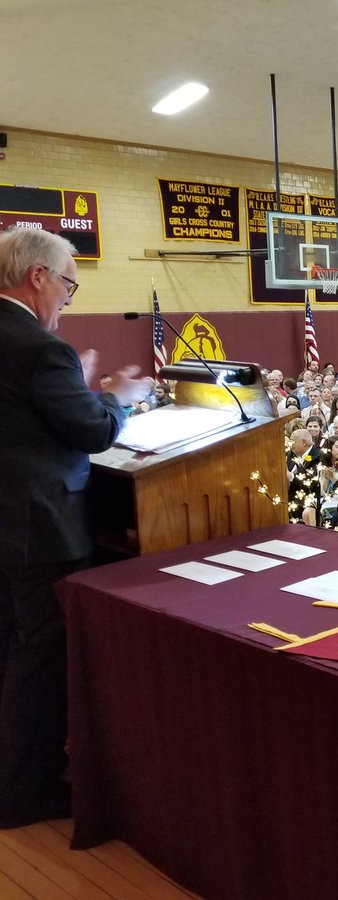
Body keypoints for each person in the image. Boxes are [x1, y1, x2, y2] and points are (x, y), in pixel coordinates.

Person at [0, 228, 152, 828]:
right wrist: (118, 396)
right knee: (39, 660)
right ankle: (22, 793)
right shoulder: (40, 349)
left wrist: (74, 387)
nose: (68, 296)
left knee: (10, 649)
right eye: (68, 283)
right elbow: (93, 433)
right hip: (41, 530)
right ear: (37, 276)